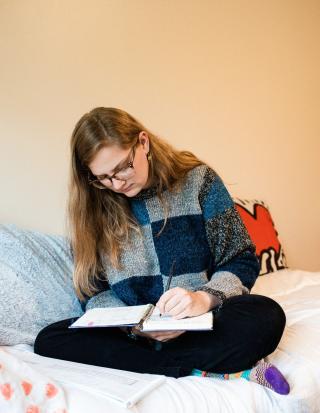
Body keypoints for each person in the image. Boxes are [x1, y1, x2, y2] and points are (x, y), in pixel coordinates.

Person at [34, 107, 289, 395]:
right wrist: (133, 326)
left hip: (202, 324)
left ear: (143, 142)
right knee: (49, 339)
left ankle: (172, 362)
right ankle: (213, 369)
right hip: (135, 334)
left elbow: (240, 258)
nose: (117, 184)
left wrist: (203, 299)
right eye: (103, 177)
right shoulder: (94, 207)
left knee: (266, 314)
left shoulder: (198, 181)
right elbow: (94, 291)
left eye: (122, 167)